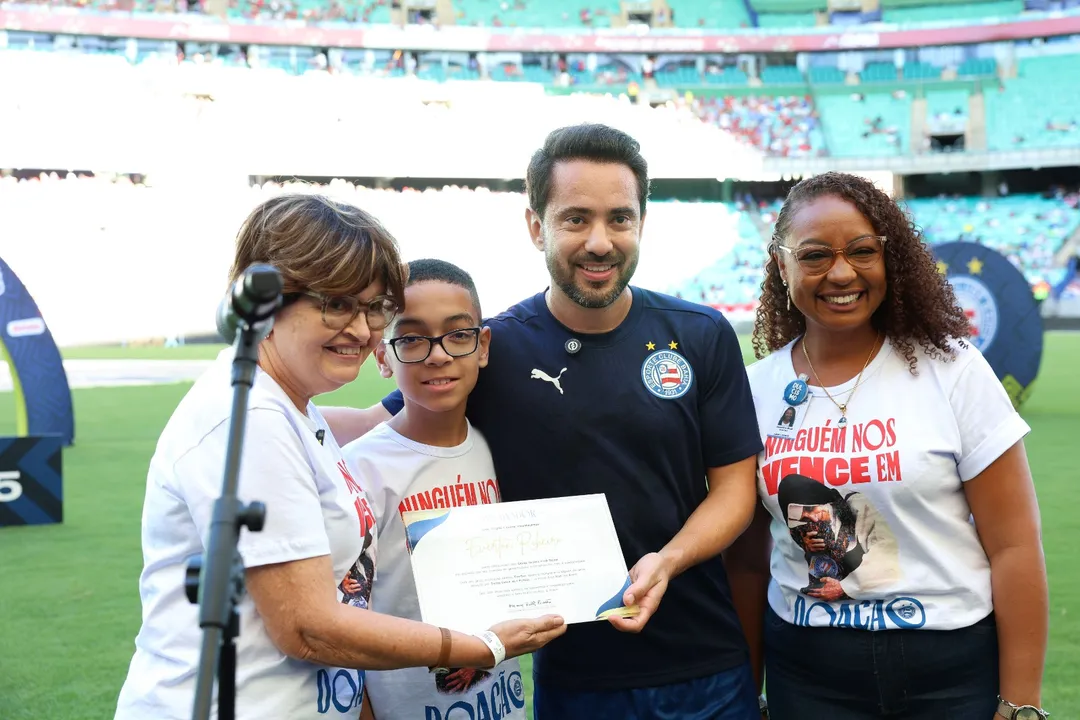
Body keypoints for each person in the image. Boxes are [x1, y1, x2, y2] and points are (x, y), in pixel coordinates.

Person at [324, 124, 763, 719]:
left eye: (620, 218)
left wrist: (669, 560)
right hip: (572, 675)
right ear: (537, 226)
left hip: (705, 666)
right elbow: (373, 425)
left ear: (641, 222)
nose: (600, 242)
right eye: (576, 218)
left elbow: (735, 489)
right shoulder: (491, 350)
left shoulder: (701, 333)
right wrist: (260, 403)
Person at [114, 194, 566, 720]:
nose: (360, 328)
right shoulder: (253, 416)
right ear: (263, 298)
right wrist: (481, 647)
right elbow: (306, 625)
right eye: (335, 303)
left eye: (373, 308)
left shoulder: (293, 411)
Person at [725, 172, 1049, 719]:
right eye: (814, 255)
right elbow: (749, 562)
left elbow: (1015, 546)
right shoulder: (753, 389)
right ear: (781, 266)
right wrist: (747, 694)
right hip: (806, 677)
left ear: (888, 258)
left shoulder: (954, 370)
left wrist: (1020, 705)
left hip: (950, 675)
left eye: (861, 251)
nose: (842, 272)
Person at [342, 258, 531, 720]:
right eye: (410, 338)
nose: (438, 354)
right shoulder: (359, 469)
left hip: (501, 704)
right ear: (382, 355)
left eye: (459, 334)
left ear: (483, 345)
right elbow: (343, 626)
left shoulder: (504, 450)